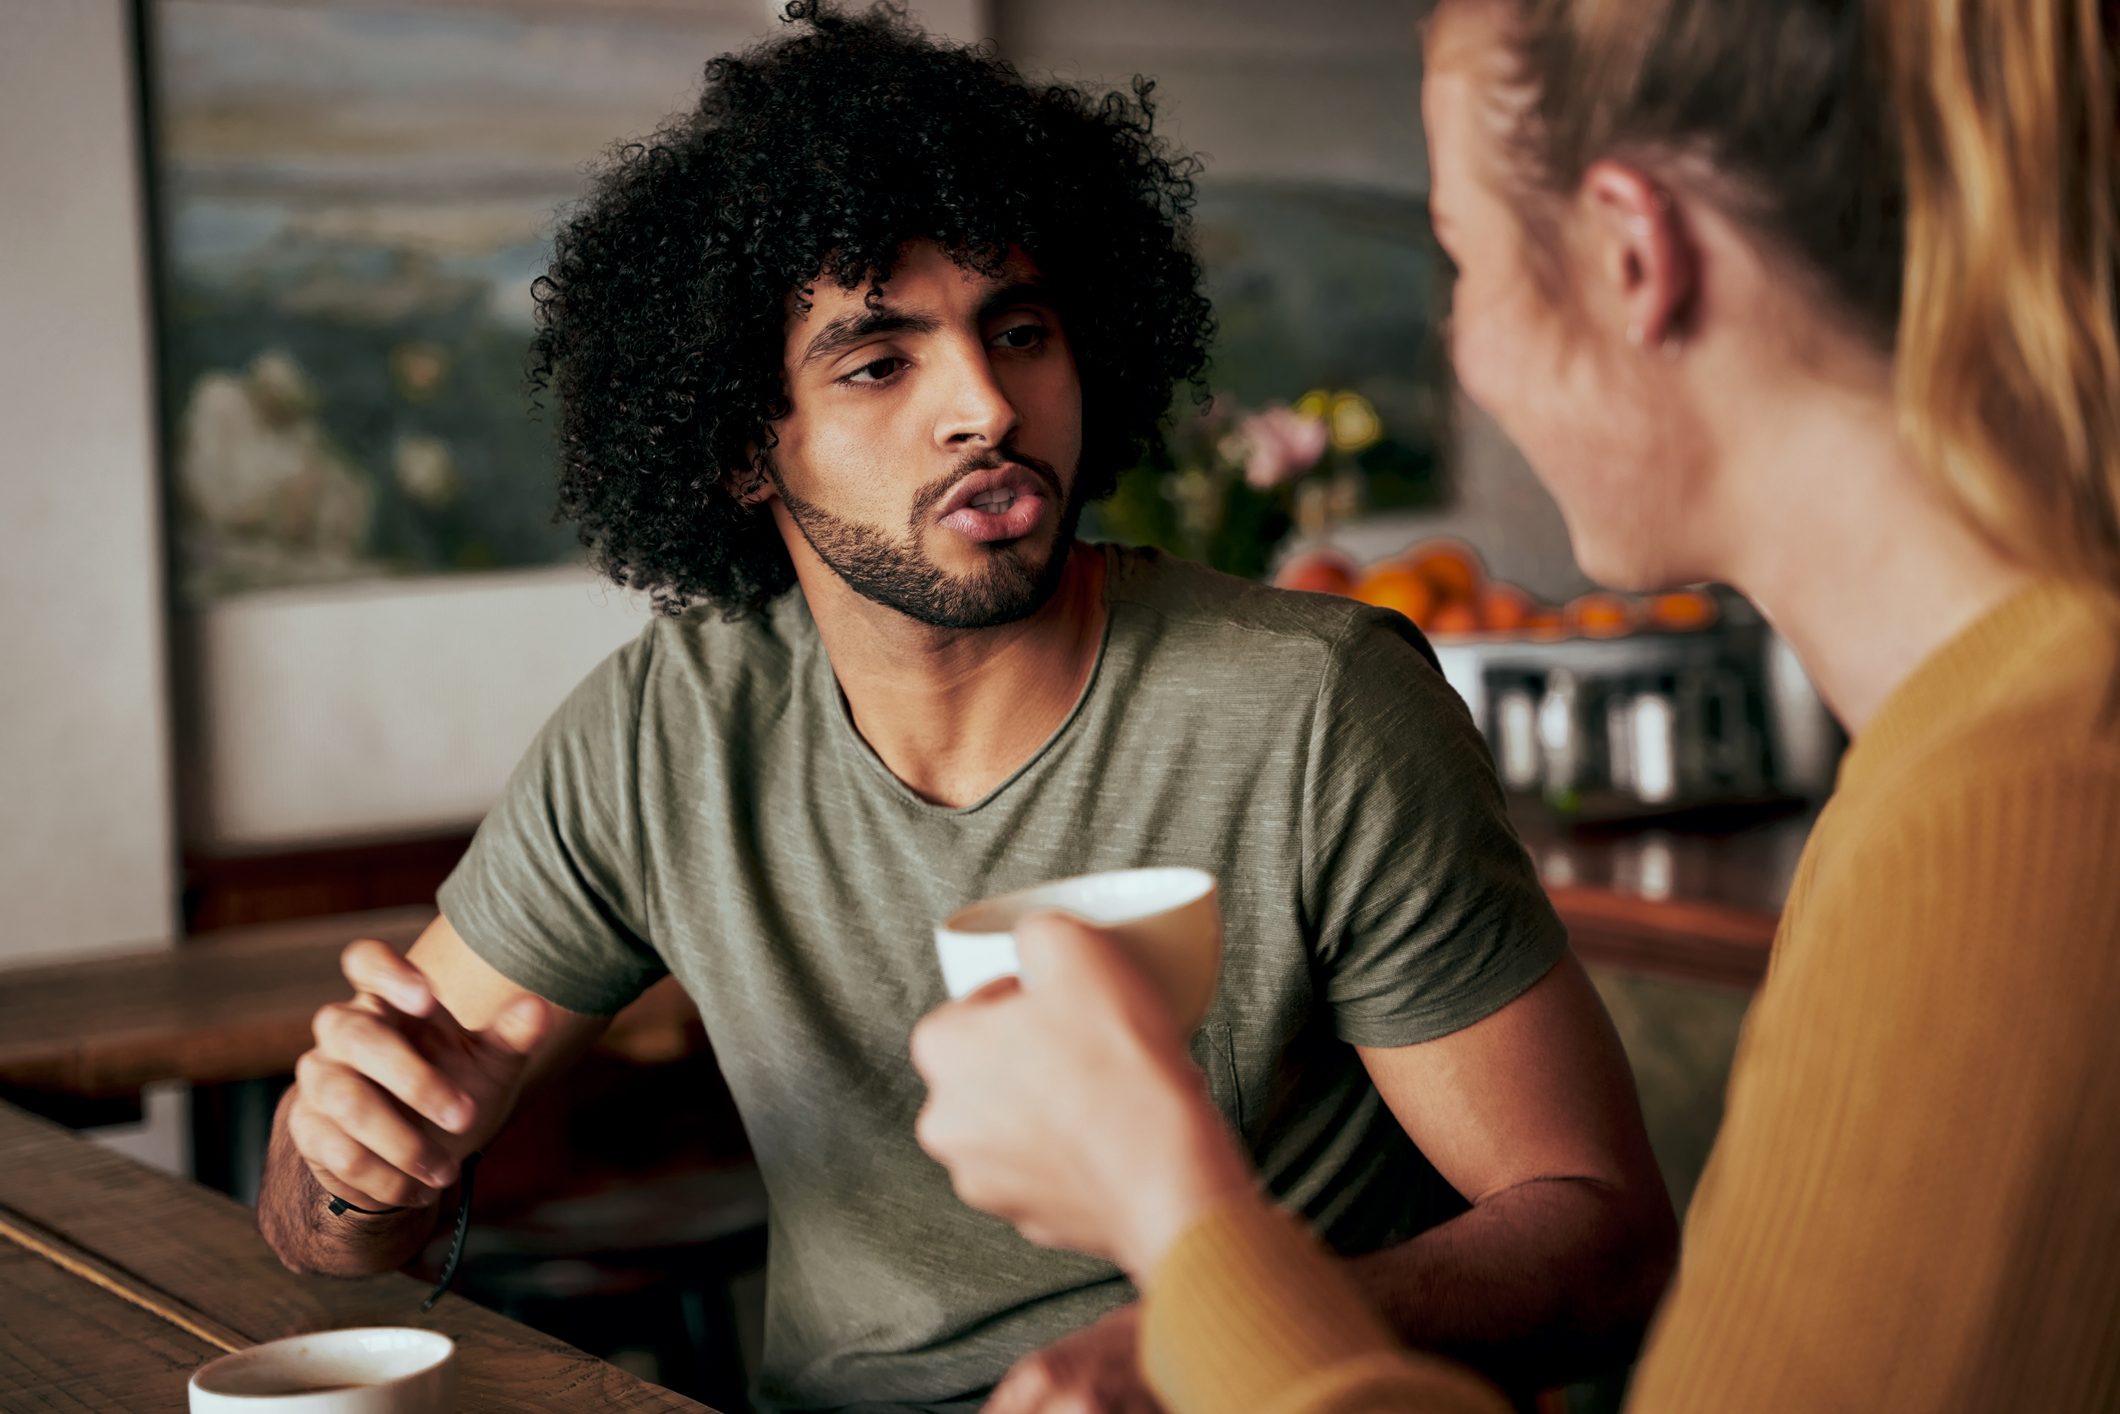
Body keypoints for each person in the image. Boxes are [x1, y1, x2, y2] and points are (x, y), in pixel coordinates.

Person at [251, 5, 1678, 1410]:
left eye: (1020, 329)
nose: (985, 407)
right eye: (880, 361)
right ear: (747, 448)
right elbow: (322, 1232)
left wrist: (1213, 1340)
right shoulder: (663, 735)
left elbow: (1602, 1233)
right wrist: (359, 1165)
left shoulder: (1317, 709)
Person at [911, 0, 2120, 1409]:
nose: (1466, 346)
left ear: (1628, 256)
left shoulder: (2016, 812)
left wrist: (1170, 1200)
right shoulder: (1958, 760)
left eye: (1464, 261)